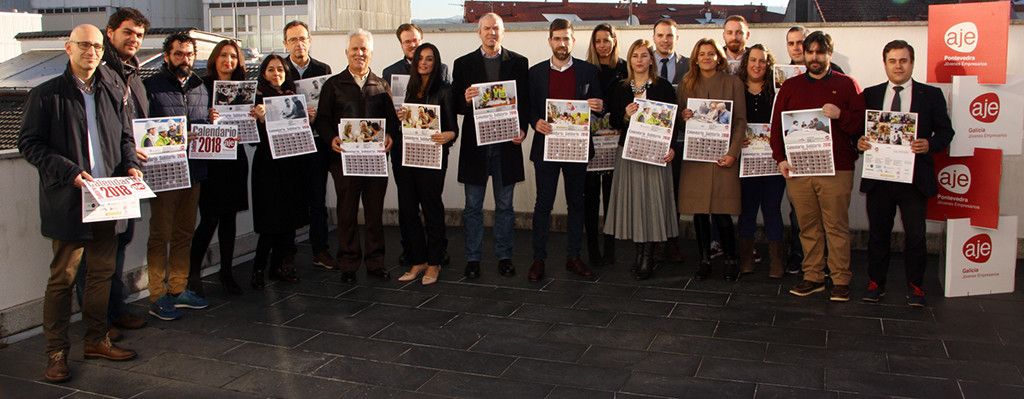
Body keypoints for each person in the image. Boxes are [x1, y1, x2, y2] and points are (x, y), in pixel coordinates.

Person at [19, 23, 141, 383]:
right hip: (70, 200)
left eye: (98, 47)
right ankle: (56, 353)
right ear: (67, 47)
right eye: (85, 45)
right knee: (63, 279)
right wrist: (69, 171)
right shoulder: (45, 94)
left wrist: (132, 165)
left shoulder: (113, 89)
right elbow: (30, 144)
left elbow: (124, 137)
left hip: (109, 199)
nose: (92, 52)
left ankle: (96, 339)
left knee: (102, 274)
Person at [71, 8, 151, 342]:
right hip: (98, 180)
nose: (134, 39)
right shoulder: (100, 74)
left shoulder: (133, 73)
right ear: (111, 33)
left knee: (119, 243)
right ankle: (97, 323)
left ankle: (113, 310)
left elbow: (133, 128)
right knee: (94, 257)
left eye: (139, 35)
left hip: (124, 177)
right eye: (128, 32)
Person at [770, 31, 865, 302]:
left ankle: (840, 279)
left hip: (837, 169)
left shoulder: (848, 85)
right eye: (810, 51)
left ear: (829, 55)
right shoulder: (790, 86)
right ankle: (812, 276)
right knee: (808, 226)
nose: (814, 57)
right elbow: (777, 126)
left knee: (835, 226)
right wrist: (780, 158)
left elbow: (860, 125)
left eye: (820, 52)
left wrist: (840, 114)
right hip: (799, 169)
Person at [858, 40, 954, 307]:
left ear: (912, 63)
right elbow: (857, 129)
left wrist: (930, 144)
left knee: (915, 235)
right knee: (878, 233)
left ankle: (916, 286)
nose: (898, 66)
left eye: (903, 60)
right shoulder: (870, 94)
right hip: (880, 178)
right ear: (885, 63)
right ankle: (876, 283)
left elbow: (946, 132)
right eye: (892, 60)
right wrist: (860, 141)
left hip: (914, 179)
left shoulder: (931, 95)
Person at [451, 13, 530, 279]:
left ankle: (504, 256)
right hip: (476, 147)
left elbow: (526, 103)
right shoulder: (462, 64)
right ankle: (473, 258)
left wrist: (522, 129)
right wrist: (465, 98)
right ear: (479, 32)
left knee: (505, 206)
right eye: (487, 28)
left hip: (506, 144)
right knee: (472, 206)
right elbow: (455, 107)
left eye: (496, 28)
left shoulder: (519, 63)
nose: (491, 33)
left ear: (503, 32)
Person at [319, 29, 399, 284]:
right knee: (347, 213)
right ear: (347, 52)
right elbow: (322, 119)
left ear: (371, 53)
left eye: (364, 49)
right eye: (355, 49)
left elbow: (392, 123)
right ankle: (348, 263)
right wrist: (331, 137)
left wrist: (390, 137)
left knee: (375, 214)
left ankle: (375, 262)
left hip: (375, 162)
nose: (359, 53)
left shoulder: (381, 84)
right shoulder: (333, 85)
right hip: (344, 161)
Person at [526, 18, 603, 282]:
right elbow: (528, 107)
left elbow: (600, 105)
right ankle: (539, 259)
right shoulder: (534, 72)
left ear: (573, 40)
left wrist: (596, 105)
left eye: (566, 38)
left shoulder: (588, 71)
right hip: (546, 149)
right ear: (550, 41)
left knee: (576, 204)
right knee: (543, 205)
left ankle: (573, 257)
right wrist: (535, 121)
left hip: (577, 149)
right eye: (557, 38)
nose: (562, 43)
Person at [141, 32, 210, 320]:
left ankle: (179, 288)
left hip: (193, 171)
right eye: (179, 54)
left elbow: (203, 124)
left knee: (184, 233)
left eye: (189, 54)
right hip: (164, 173)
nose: (185, 59)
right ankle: (157, 294)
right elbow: (143, 129)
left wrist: (210, 123)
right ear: (167, 56)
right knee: (160, 235)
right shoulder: (150, 87)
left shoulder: (201, 87)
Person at [604, 39, 678, 280]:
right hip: (629, 153)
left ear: (651, 59)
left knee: (653, 203)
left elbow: (673, 123)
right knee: (635, 204)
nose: (639, 60)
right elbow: (614, 121)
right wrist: (625, 115)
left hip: (657, 155)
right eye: (634, 55)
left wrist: (672, 149)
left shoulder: (664, 87)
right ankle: (639, 254)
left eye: (644, 55)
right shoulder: (620, 87)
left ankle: (648, 256)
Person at [382, 23, 452, 271]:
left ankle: (436, 256)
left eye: (416, 42)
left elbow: (448, 118)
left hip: (432, 152)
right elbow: (386, 112)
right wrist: (395, 116)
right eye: (408, 43)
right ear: (401, 44)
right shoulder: (393, 76)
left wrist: (448, 135)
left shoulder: (443, 79)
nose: (421, 60)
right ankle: (414, 255)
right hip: (404, 151)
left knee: (432, 204)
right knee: (408, 206)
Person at [677, 38, 746, 281]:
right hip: (696, 157)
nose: (706, 57)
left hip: (722, 156)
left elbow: (739, 121)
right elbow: (679, 118)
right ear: (695, 58)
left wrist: (732, 153)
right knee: (698, 212)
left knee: (722, 211)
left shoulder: (733, 82)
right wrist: (683, 115)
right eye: (701, 54)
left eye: (711, 53)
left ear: (719, 57)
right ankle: (704, 259)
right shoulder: (686, 83)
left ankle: (730, 259)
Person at [189, 39, 251, 296]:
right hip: (210, 160)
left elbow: (252, 128)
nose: (228, 61)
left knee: (229, 219)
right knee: (209, 218)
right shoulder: (199, 86)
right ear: (214, 58)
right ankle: (193, 273)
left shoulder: (245, 88)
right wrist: (207, 117)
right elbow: (191, 120)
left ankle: (227, 271)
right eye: (224, 56)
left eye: (233, 57)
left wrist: (255, 114)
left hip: (234, 158)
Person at [249, 54, 313, 289]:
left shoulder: (294, 99)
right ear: (263, 73)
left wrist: (309, 120)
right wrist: (260, 121)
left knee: (289, 221)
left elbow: (300, 135)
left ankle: (280, 267)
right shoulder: (256, 101)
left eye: (280, 70)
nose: (276, 74)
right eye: (270, 70)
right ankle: (258, 269)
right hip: (268, 168)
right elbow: (253, 141)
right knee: (270, 222)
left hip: (292, 166)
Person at [281, 20, 338, 271]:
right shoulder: (278, 69)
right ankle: (287, 253)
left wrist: (318, 116)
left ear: (310, 40)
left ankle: (320, 250)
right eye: (293, 39)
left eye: (302, 38)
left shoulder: (323, 69)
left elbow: (330, 109)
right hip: (289, 146)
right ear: (285, 43)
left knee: (318, 199)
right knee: (290, 199)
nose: (299, 43)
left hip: (316, 144)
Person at [736, 44, 786, 278]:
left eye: (762, 61)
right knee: (747, 209)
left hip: (773, 162)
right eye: (753, 60)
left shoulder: (778, 90)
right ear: (746, 63)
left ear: (769, 64)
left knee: (772, 209)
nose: (757, 65)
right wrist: (737, 139)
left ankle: (776, 262)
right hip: (745, 161)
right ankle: (746, 258)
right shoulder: (736, 89)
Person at [584, 23, 627, 267]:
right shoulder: (585, 68)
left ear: (613, 41)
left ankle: (609, 247)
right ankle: (592, 248)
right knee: (590, 196)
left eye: (606, 40)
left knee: (611, 197)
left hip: (615, 142)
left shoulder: (624, 68)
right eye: (598, 41)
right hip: (590, 142)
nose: (602, 45)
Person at [651, 18, 691, 263]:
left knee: (675, 191)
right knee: (655, 192)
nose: (665, 39)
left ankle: (672, 242)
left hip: (679, 139)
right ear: (653, 37)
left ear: (677, 38)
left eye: (670, 36)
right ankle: (654, 241)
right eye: (661, 35)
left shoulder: (689, 65)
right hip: (651, 138)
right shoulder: (643, 63)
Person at [382, 23, 451, 84]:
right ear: (401, 44)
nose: (412, 45)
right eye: (407, 42)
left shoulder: (441, 69)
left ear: (421, 41)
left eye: (415, 40)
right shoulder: (390, 73)